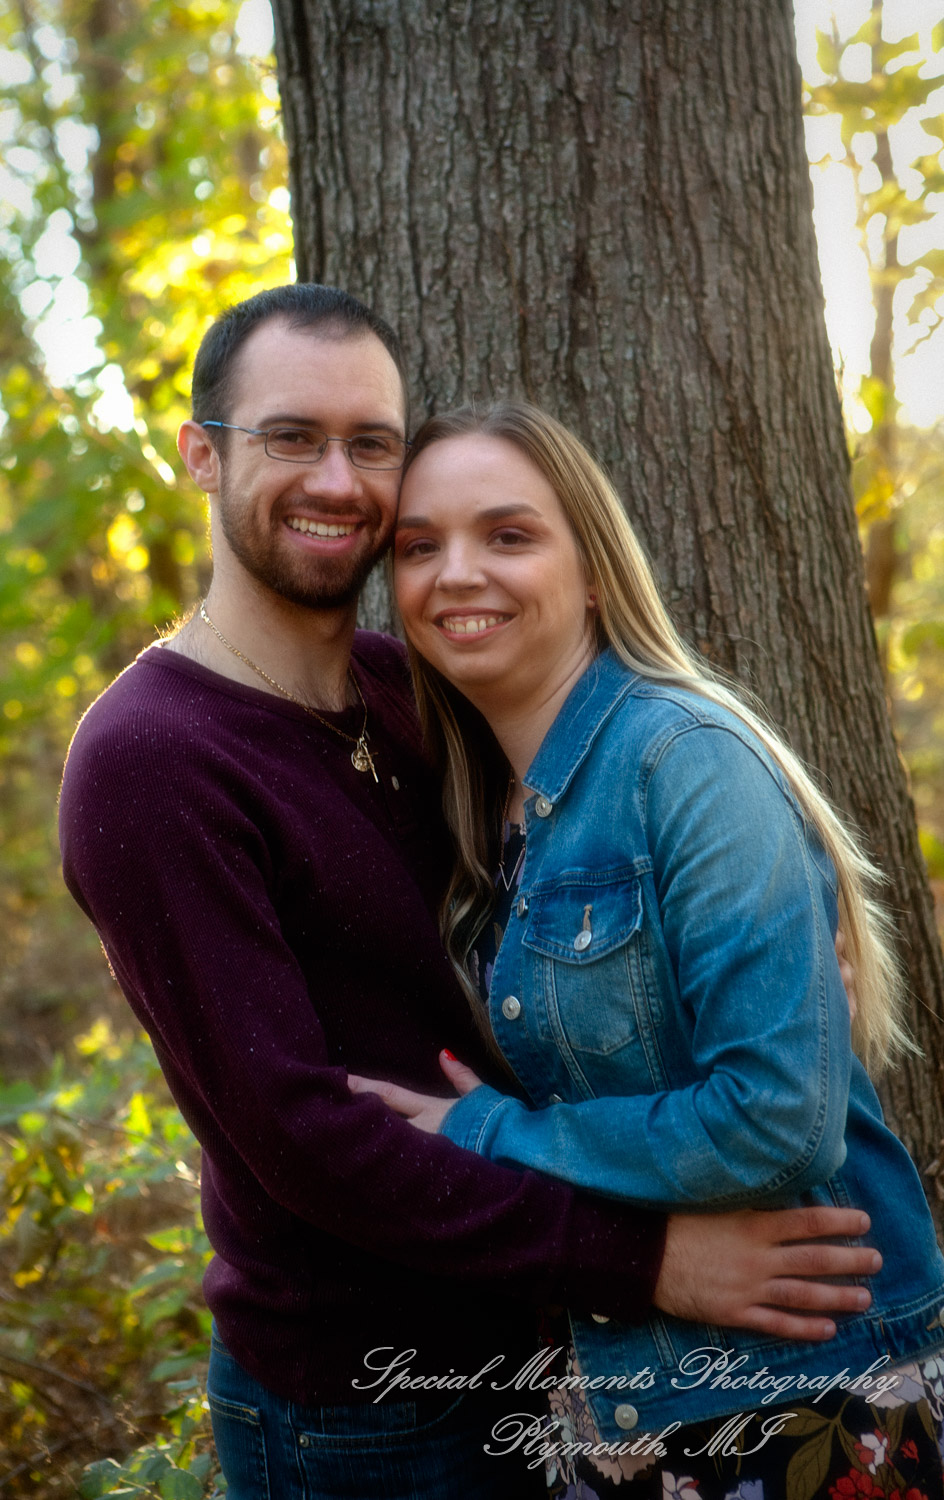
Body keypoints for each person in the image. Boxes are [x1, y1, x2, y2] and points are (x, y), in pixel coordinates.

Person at [59, 286, 885, 1500]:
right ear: (201, 454)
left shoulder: (419, 688)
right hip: (365, 1396)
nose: (335, 479)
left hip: (560, 1354)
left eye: (370, 444)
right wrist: (641, 1261)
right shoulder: (151, 758)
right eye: (290, 437)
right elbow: (302, 1136)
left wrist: (766, 928)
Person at [349, 399, 944, 1497]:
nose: (456, 574)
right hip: (616, 1404)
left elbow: (775, 1123)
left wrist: (487, 1133)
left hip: (797, 1398)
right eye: (419, 547)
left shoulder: (683, 763)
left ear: (591, 569)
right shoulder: (500, 817)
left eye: (508, 535)